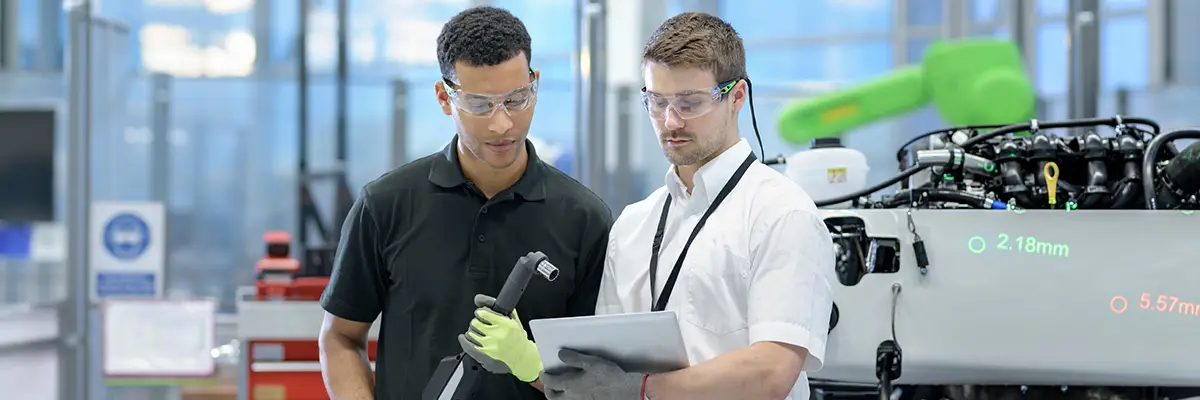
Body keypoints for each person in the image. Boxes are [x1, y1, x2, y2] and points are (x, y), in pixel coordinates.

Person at [317, 6, 613, 400]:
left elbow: (597, 376)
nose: (501, 123)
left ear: (535, 84)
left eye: (516, 99)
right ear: (444, 97)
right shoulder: (385, 205)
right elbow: (340, 337)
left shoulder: (584, 219)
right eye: (479, 104)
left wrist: (530, 364)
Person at [539, 12, 836, 400]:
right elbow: (604, 365)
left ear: (737, 97)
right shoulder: (633, 224)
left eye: (690, 103)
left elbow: (771, 372)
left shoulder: (781, 213)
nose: (670, 122)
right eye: (656, 102)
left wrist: (642, 388)